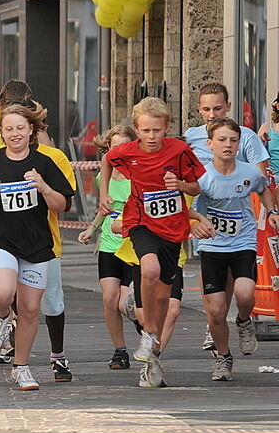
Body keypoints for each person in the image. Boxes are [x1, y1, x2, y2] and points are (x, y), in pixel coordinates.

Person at [0, 104, 76, 391]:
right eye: (8, 129)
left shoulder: (45, 163)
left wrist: (43, 187)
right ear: (1, 132)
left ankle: (21, 368)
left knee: (30, 309)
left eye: (20, 128)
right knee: (1, 293)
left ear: (31, 130)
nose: (15, 134)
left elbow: (62, 205)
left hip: (36, 244)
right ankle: (0, 316)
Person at [99, 97, 204, 389]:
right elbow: (107, 160)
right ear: (136, 129)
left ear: (167, 127)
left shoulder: (180, 151)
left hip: (171, 229)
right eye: (145, 131)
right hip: (140, 222)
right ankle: (147, 333)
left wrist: (181, 186)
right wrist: (103, 194)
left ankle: (153, 345)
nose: (151, 137)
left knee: (163, 297)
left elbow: (197, 185)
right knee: (149, 270)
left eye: (157, 131)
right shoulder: (128, 151)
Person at [189, 118, 278, 381]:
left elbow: (264, 190)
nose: (228, 145)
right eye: (222, 140)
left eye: (233, 140)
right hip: (212, 244)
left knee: (245, 292)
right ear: (210, 144)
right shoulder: (202, 177)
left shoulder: (249, 172)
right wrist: (196, 222)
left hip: (242, 242)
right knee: (215, 311)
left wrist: (271, 211)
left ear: (239, 144)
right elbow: (189, 208)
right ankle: (223, 358)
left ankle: (243, 321)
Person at [77, 125, 139, 370]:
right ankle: (120, 350)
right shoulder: (104, 175)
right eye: (115, 147)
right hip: (109, 245)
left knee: (127, 303)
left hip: (133, 245)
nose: (119, 151)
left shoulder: (138, 174)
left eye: (124, 145)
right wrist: (91, 229)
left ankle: (141, 321)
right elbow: (104, 208)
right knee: (109, 298)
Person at [257, 90, 279, 177]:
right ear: (278, 106)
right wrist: (261, 142)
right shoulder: (267, 128)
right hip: (273, 184)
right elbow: (255, 157)